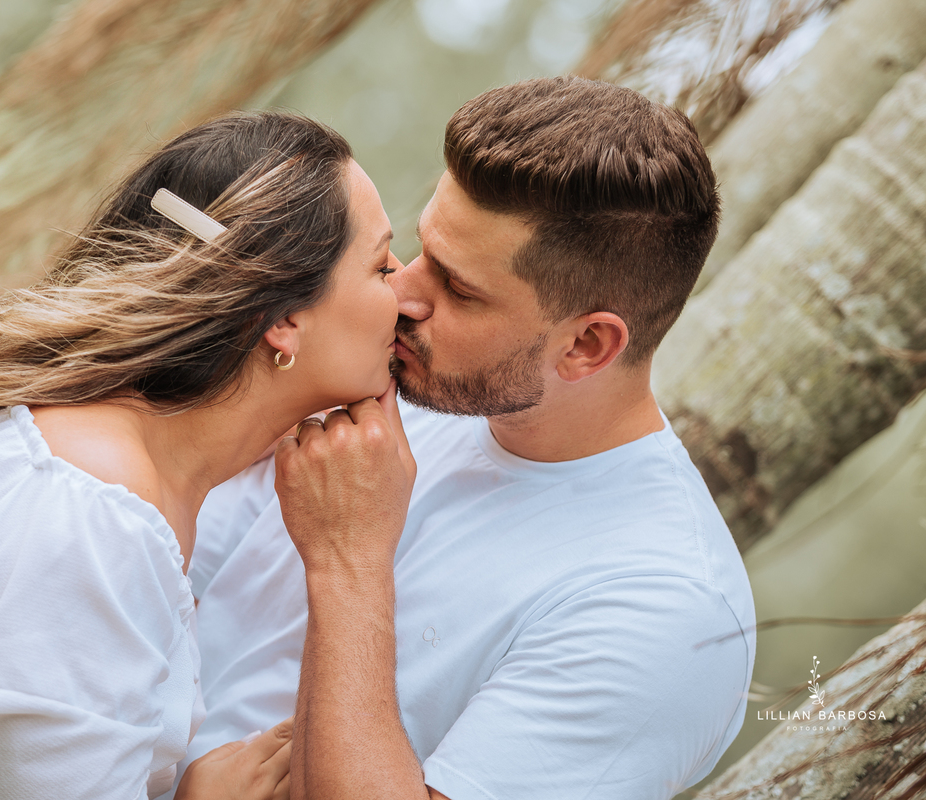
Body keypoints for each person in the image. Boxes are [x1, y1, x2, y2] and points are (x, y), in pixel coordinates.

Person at [0, 111, 405, 800]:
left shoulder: (116, 474)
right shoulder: (97, 510)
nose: (408, 291)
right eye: (382, 264)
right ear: (281, 320)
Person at [163, 77, 757, 800]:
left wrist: (349, 561)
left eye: (459, 288)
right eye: (421, 251)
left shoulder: (667, 611)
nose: (404, 294)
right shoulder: (410, 382)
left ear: (587, 346)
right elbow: (168, 584)